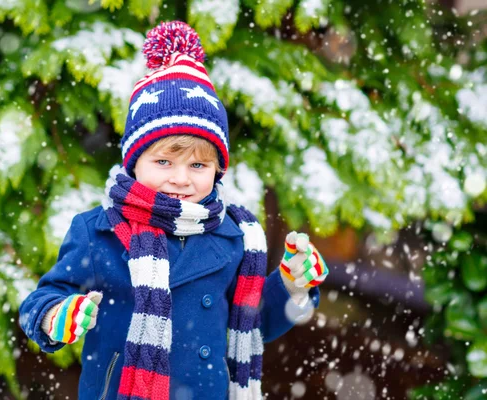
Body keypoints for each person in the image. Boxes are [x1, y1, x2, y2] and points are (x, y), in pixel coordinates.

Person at [19, 20, 329, 400]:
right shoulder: (98, 234)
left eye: (197, 166)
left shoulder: (233, 237)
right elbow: (42, 299)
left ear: (217, 169)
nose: (180, 179)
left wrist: (292, 286)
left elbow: (251, 323)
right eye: (164, 162)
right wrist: (57, 314)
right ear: (135, 162)